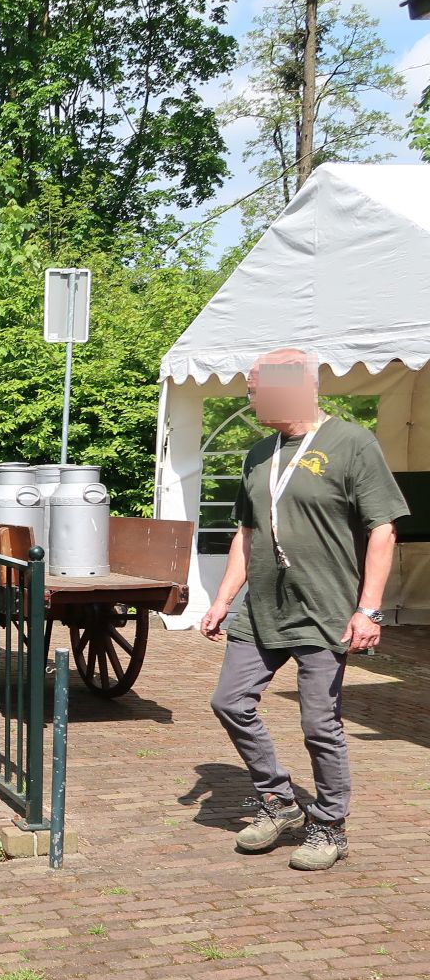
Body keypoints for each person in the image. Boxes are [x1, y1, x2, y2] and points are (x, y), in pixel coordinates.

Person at [201, 348, 409, 871]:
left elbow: (382, 529)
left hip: (326, 610)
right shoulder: (257, 454)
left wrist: (370, 610)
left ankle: (329, 826)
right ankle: (278, 801)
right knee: (230, 702)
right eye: (251, 390)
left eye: (259, 389)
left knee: (320, 723)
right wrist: (223, 600)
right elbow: (246, 534)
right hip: (262, 610)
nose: (253, 399)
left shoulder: (353, 443)